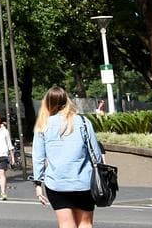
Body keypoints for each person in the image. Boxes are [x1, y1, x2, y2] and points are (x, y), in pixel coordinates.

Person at [33, 87, 105, 228]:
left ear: (48, 103)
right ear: (67, 101)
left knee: (66, 224)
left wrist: (38, 183)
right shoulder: (83, 122)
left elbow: (38, 158)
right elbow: (96, 154)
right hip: (84, 182)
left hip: (56, 183)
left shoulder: (43, 125)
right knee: (86, 223)